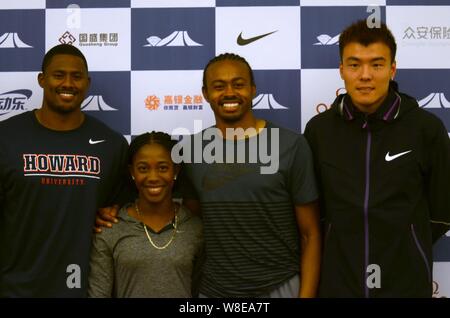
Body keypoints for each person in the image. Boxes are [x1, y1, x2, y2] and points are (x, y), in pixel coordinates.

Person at [97, 53, 321, 297]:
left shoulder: (291, 145)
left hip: (278, 286)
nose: (229, 93)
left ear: (253, 89)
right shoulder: (191, 151)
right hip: (214, 291)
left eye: (238, 84)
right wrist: (115, 213)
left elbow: (310, 234)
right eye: (218, 86)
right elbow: (186, 219)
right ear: (205, 94)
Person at [304, 20, 450, 298]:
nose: (365, 75)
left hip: (405, 282)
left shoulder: (426, 128)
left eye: (377, 64)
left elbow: (442, 210)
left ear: (392, 69)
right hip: (339, 281)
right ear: (342, 70)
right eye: (355, 64)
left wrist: (408, 239)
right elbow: (314, 212)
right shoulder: (318, 130)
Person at [0, 44, 129, 297]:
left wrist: (114, 212)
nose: (68, 83)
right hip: (14, 287)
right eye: (59, 75)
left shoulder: (111, 144)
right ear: (42, 79)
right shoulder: (6, 138)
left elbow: (121, 211)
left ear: (87, 83)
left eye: (76, 76)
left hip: (82, 288)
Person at [88, 131, 203, 298]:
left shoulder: (195, 229)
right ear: (132, 172)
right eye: (143, 168)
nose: (153, 177)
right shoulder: (110, 228)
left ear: (176, 170)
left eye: (163, 168)